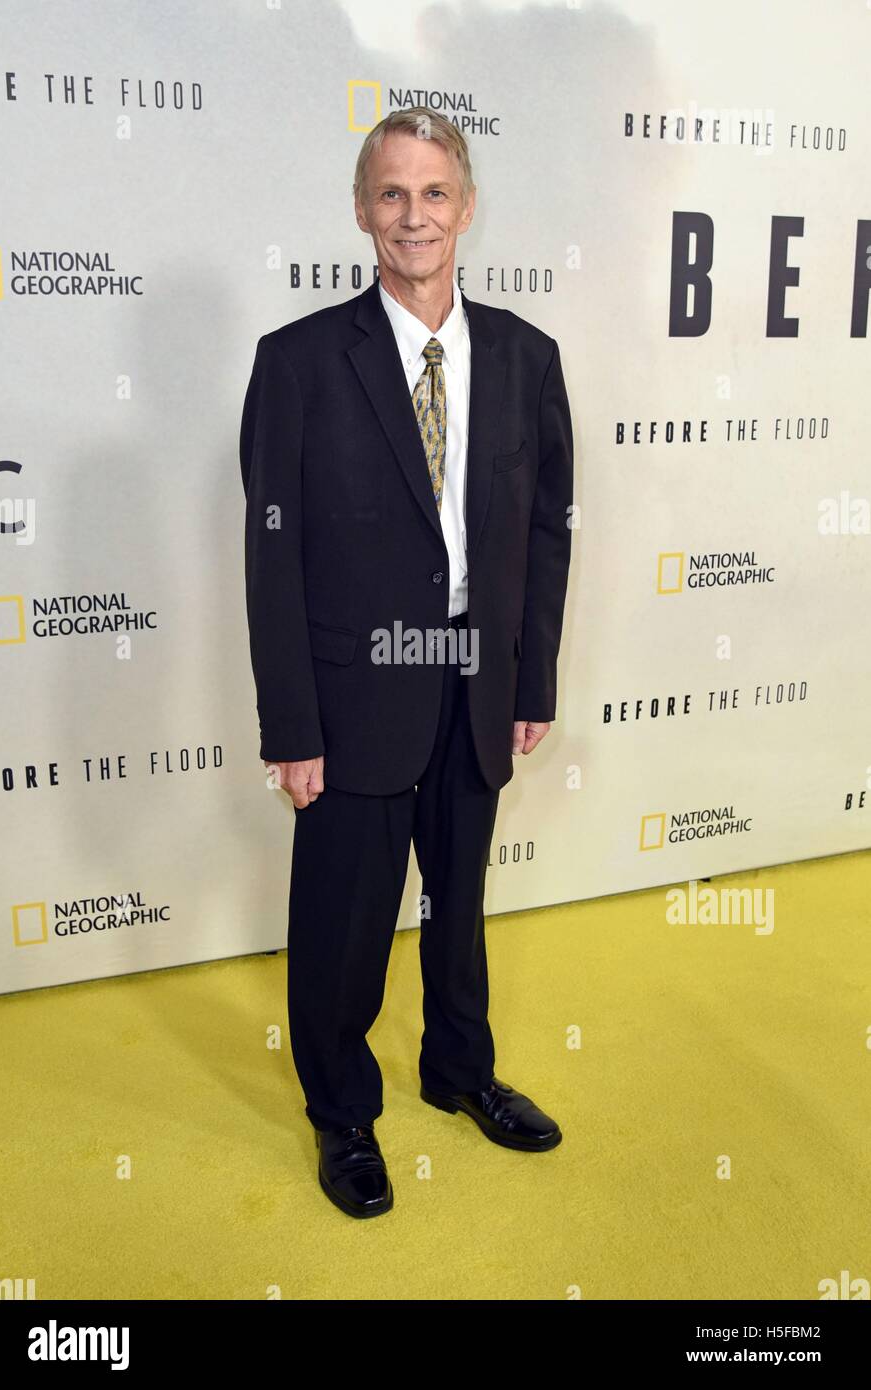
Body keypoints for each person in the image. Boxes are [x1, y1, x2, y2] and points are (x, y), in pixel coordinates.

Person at [239, 107, 574, 1219]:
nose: (412, 215)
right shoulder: (295, 362)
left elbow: (543, 532)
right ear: (359, 209)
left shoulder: (527, 358)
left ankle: (457, 1070)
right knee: (343, 916)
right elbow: (270, 557)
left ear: (465, 208)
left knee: (459, 900)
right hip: (350, 690)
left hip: (475, 678)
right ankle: (340, 1111)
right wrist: (292, 724)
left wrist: (527, 683)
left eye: (433, 193)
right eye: (391, 193)